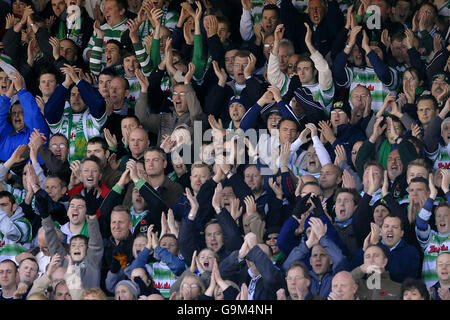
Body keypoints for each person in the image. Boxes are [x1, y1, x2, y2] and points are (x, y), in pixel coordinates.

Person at [0, 191, 33, 261]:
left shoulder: (23, 223)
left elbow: (9, 231)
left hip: (16, 269)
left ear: (14, 207)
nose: (1, 209)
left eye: (4, 205)